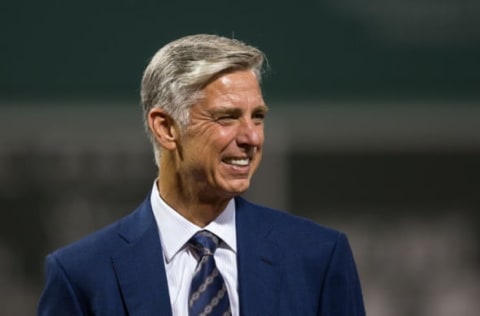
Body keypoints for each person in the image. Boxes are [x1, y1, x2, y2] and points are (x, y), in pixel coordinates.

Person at [38, 34, 365, 316]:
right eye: (227, 117)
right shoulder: (82, 275)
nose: (251, 137)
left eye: (258, 116)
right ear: (166, 128)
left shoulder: (318, 257)